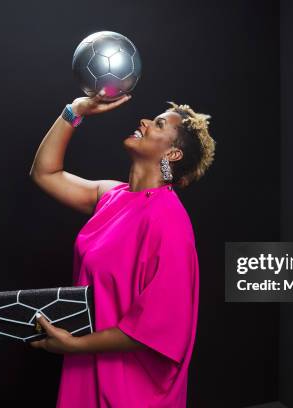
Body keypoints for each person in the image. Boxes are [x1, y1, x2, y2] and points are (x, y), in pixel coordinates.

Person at [27, 89, 216, 407]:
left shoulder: (169, 220)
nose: (143, 122)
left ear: (171, 155)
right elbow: (44, 172)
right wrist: (75, 111)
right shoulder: (112, 195)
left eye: (157, 124)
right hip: (88, 366)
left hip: (131, 388)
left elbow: (159, 327)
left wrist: (75, 345)